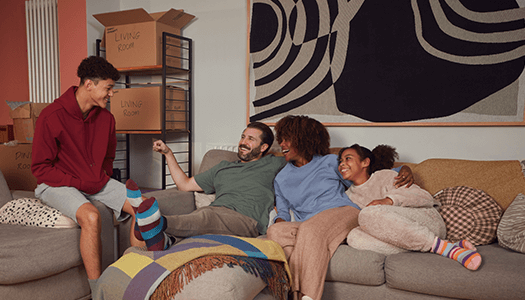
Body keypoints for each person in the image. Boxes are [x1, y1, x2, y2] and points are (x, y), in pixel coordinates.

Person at [31, 56, 145, 295]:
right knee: (92, 217)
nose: (111, 94)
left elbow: (108, 157)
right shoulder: (51, 116)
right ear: (89, 85)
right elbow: (40, 168)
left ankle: (135, 278)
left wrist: (99, 177)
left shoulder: (107, 119)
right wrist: (81, 183)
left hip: (95, 181)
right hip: (56, 183)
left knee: (143, 207)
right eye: (109, 88)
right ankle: (99, 292)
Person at [266, 115, 413, 300]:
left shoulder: (329, 162)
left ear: (303, 139)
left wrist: (402, 170)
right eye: (281, 139)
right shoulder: (281, 178)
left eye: (287, 139)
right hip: (308, 226)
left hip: (343, 213)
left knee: (310, 230)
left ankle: (307, 296)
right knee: (275, 232)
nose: (282, 144)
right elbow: (283, 214)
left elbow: (366, 177)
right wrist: (278, 225)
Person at [126, 121, 287, 251]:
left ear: (264, 147)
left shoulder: (273, 163)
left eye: (251, 139)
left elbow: (304, 159)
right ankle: (165, 241)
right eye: (243, 137)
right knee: (203, 215)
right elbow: (185, 185)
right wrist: (168, 153)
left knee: (206, 218)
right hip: (214, 211)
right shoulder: (223, 167)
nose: (243, 142)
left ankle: (157, 223)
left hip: (247, 221)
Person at [338, 144, 482, 271]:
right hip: (401, 236)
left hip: (425, 220)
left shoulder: (385, 176)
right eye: (340, 161)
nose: (342, 164)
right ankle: (445, 246)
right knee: (354, 237)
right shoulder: (349, 196)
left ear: (365, 162)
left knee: (367, 214)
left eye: (347, 158)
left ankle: (445, 248)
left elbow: (424, 197)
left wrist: (388, 201)